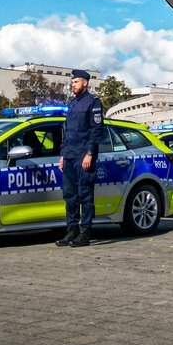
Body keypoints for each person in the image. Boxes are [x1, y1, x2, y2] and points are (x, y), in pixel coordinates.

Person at [57, 69, 104, 248]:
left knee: (85, 196)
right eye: (72, 82)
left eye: (75, 82)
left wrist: (90, 154)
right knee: (70, 196)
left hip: (83, 157)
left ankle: (85, 233)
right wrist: (62, 155)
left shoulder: (93, 103)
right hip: (69, 156)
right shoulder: (72, 104)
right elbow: (67, 132)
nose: (72, 84)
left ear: (84, 82)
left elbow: (96, 130)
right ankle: (72, 231)